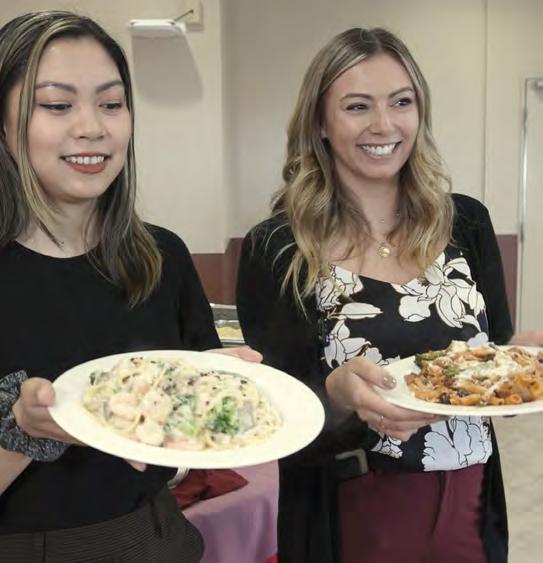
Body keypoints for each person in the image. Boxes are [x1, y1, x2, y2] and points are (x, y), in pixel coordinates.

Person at [236, 27, 543, 563]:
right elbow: (277, 410)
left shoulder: (466, 223)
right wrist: (337, 395)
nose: (383, 124)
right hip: (354, 505)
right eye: (357, 106)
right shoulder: (279, 247)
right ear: (320, 122)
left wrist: (520, 368)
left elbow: (492, 358)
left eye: (401, 102)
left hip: (470, 499)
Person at [0, 10, 259, 563]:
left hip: (156, 535)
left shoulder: (161, 255)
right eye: (57, 105)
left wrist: (215, 398)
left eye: (112, 104)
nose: (92, 127)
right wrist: (24, 429)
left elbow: (193, 428)